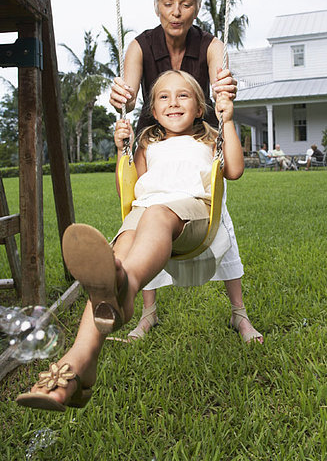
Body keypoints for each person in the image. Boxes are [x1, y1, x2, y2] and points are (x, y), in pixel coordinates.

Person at [16, 70, 245, 412]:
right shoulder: (148, 142)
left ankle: (128, 285)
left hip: (192, 214)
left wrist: (228, 119)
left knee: (152, 216)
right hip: (146, 211)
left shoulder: (210, 140)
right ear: (152, 110)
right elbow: (131, 185)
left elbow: (235, 170)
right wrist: (123, 147)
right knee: (119, 249)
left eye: (183, 96)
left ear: (200, 108)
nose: (173, 102)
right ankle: (79, 365)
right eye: (163, 97)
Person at [109, 0, 263, 344]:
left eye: (186, 4)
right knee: (144, 216)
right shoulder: (140, 45)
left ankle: (239, 315)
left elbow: (219, 81)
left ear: (197, 8)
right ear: (157, 7)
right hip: (153, 139)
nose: (176, 12)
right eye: (168, 3)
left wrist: (225, 91)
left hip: (200, 143)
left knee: (219, 219)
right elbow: (128, 90)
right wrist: (121, 98)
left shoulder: (211, 45)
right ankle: (147, 314)